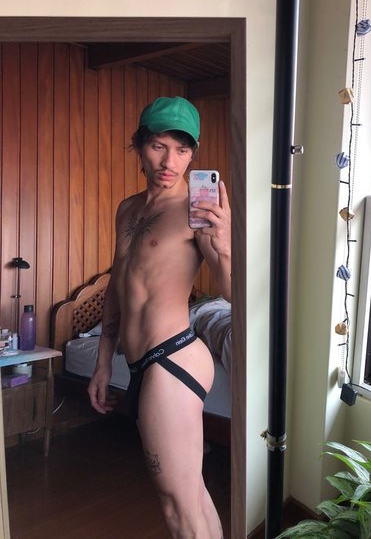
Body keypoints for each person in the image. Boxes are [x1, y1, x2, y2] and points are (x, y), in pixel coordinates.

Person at [87, 96, 231, 539]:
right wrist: (102, 361)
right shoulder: (127, 209)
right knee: (191, 495)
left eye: (182, 150)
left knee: (176, 505)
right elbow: (117, 285)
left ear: (193, 153)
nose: (170, 162)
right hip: (141, 362)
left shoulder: (196, 209)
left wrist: (224, 245)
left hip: (173, 358)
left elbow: (232, 293)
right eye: (159, 146)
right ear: (139, 145)